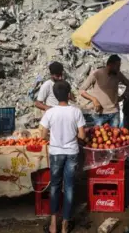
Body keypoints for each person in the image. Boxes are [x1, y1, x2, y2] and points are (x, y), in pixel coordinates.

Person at [39, 81, 85, 233]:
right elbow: (82, 135)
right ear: (68, 94)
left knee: (55, 186)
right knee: (70, 186)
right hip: (71, 152)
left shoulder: (50, 112)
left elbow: (42, 135)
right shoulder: (76, 111)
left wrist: (54, 140)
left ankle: (53, 224)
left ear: (55, 95)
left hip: (56, 153)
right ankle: (65, 224)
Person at [79, 55, 129, 128]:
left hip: (114, 112)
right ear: (110, 64)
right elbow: (81, 90)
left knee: (115, 137)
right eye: (117, 66)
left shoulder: (118, 74)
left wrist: (123, 96)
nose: (119, 68)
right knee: (98, 137)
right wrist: (94, 99)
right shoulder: (97, 73)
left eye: (119, 66)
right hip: (99, 114)